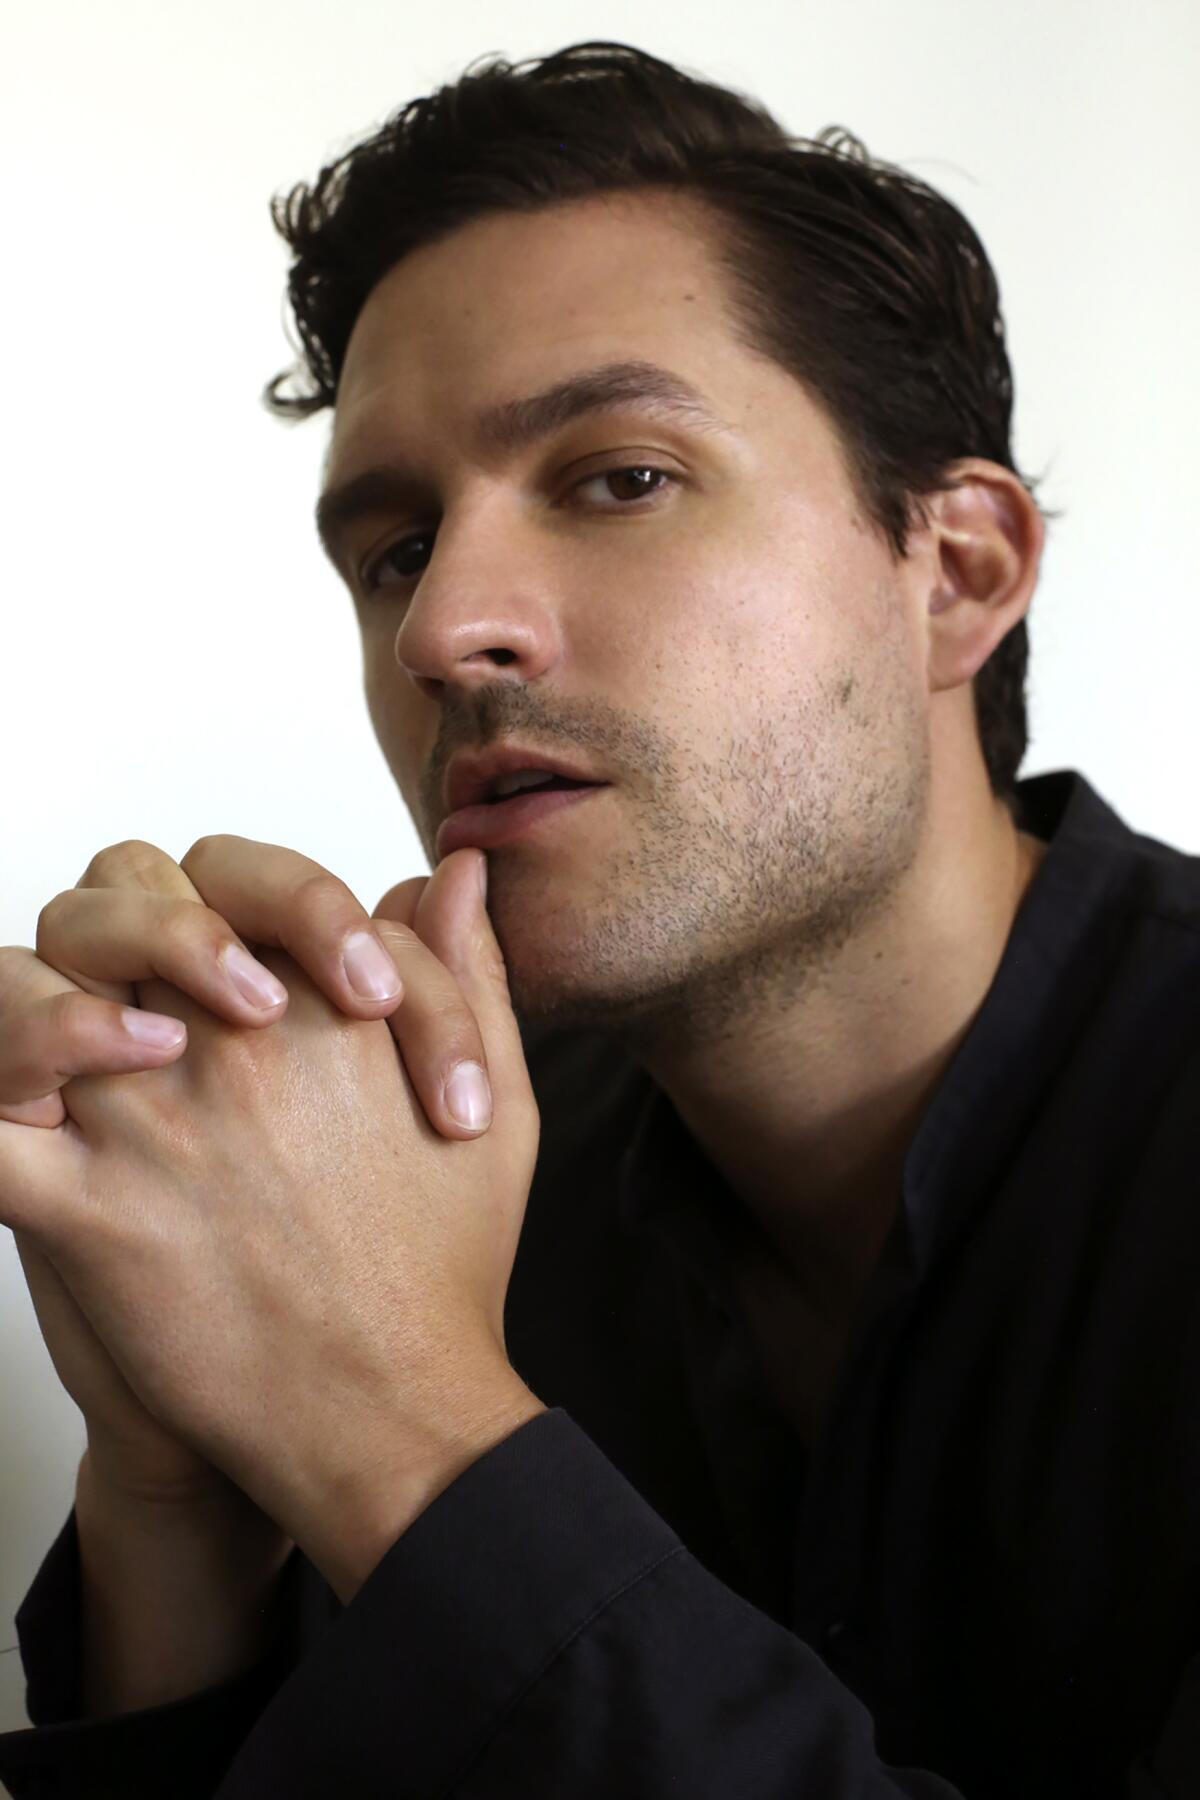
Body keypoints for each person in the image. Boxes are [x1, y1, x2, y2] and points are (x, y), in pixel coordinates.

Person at [0, 37, 1195, 1800]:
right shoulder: (442, 1178)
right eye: (396, 546)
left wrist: (396, 1429)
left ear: (956, 574)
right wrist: (181, 1478)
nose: (445, 630)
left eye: (618, 477)